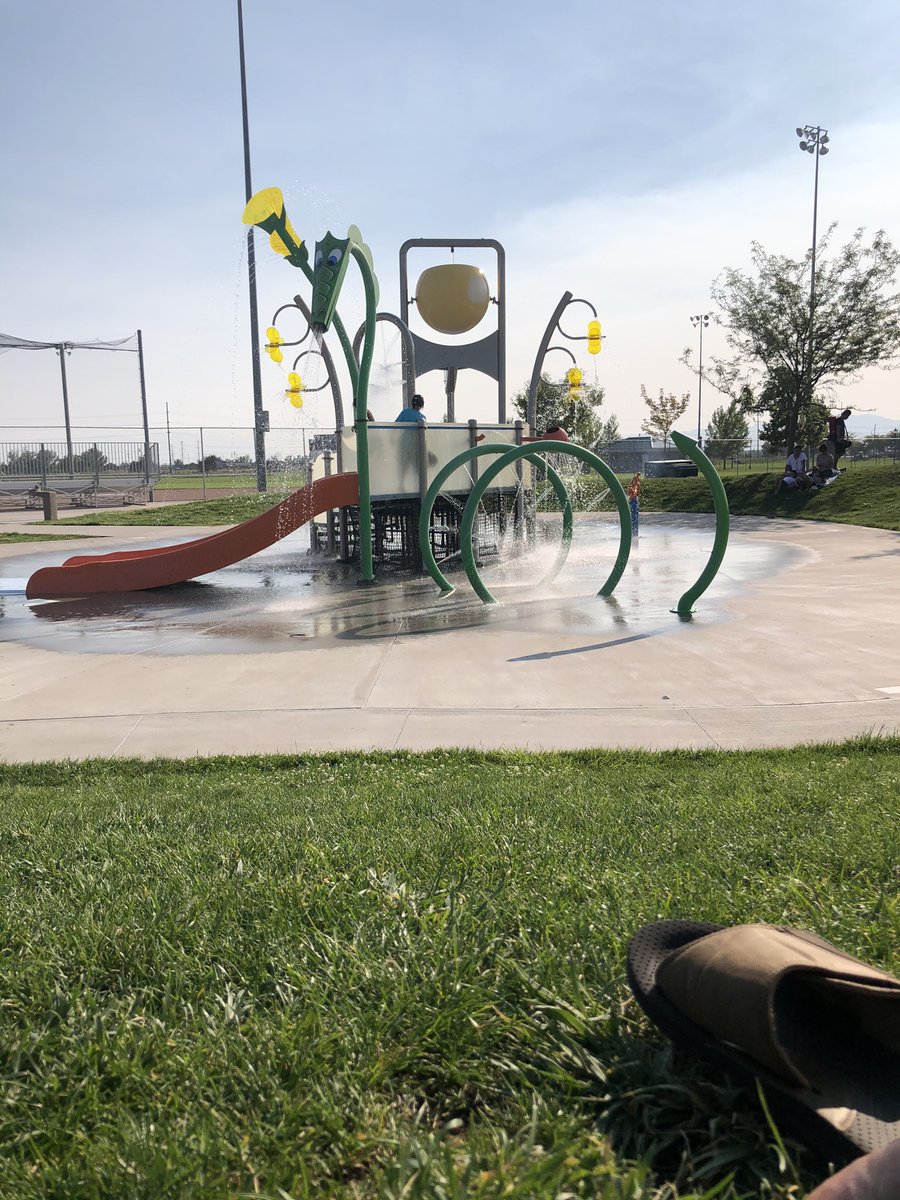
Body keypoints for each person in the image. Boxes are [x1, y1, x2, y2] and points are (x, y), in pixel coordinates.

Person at [627, 472, 641, 538]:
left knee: (634, 518)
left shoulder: (636, 485)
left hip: (634, 501)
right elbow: (634, 492)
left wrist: (634, 492)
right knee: (633, 518)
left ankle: (634, 534)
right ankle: (634, 534)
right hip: (633, 501)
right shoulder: (633, 485)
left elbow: (636, 492)